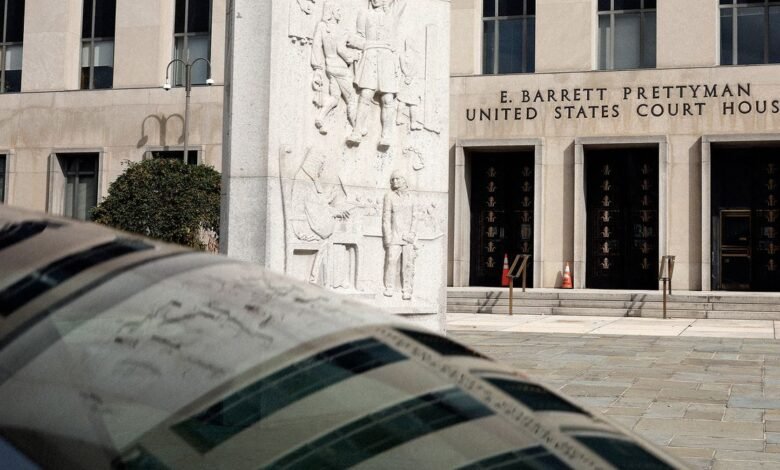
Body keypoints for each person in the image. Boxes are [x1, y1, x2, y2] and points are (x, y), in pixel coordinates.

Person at [346, 0, 407, 148]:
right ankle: (357, 130)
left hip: (386, 58)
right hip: (371, 56)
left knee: (388, 98)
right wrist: (361, 43)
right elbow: (359, 36)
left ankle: (386, 135)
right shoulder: (364, 14)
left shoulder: (391, 14)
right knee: (366, 94)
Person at [310, 1, 359, 134]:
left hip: (329, 66)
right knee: (352, 98)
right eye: (338, 10)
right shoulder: (340, 30)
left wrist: (317, 69)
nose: (340, 13)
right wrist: (352, 57)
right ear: (331, 12)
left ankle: (320, 117)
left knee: (335, 97)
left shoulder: (321, 27)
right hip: (341, 68)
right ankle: (356, 128)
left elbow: (316, 46)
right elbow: (341, 49)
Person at [382, 170, 416, 300]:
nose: (395, 181)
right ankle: (389, 287)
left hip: (408, 237)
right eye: (393, 179)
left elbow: (415, 217)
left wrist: (412, 234)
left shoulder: (412, 198)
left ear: (404, 180)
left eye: (397, 179)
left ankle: (407, 290)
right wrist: (387, 238)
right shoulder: (389, 196)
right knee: (391, 262)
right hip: (394, 237)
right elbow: (386, 218)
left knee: (408, 264)